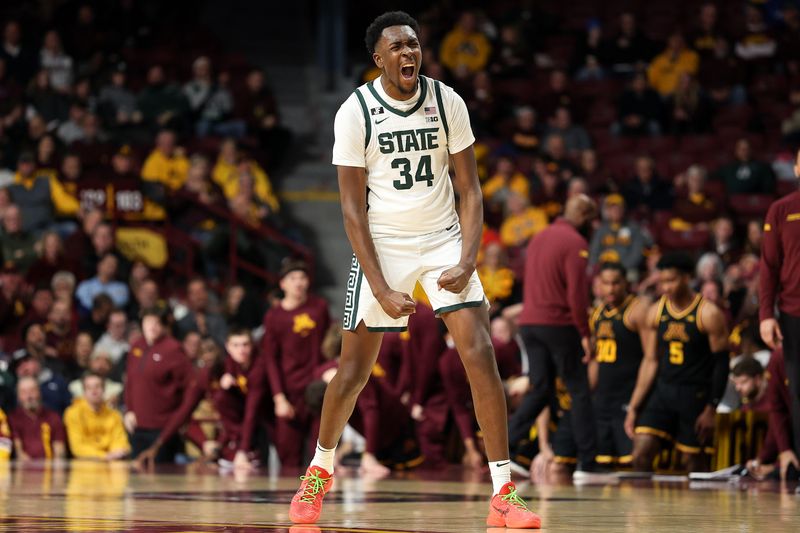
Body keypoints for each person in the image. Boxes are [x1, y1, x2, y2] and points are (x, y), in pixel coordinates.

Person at [289, 12, 540, 529]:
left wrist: (468, 257)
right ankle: (318, 470)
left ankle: (503, 491)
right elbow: (351, 210)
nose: (408, 53)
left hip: (445, 238)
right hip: (384, 245)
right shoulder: (354, 111)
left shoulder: (448, 101)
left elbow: (470, 190)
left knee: (481, 354)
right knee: (354, 372)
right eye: (396, 47)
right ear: (377, 58)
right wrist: (379, 285)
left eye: (414, 44)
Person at [508, 194, 605, 477]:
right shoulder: (576, 243)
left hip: (529, 323)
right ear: (586, 218)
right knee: (579, 390)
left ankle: (507, 449)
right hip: (558, 324)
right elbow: (577, 294)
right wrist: (585, 332)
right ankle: (588, 463)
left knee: (540, 389)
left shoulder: (539, 237)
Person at [625, 252, 729, 472]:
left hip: (695, 395)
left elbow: (722, 364)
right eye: (662, 281)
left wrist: (712, 408)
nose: (665, 287)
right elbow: (650, 360)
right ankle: (643, 508)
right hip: (664, 392)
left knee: (694, 464)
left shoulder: (708, 313)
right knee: (640, 453)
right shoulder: (655, 312)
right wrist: (634, 406)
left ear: (686, 278)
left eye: (671, 280)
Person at [136, 328, 267, 469]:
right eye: (202, 351)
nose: (207, 356)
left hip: (254, 436)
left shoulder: (237, 367)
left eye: (211, 350)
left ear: (221, 349)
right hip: (230, 442)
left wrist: (243, 450)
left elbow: (250, 414)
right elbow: (184, 412)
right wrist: (158, 445)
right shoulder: (205, 375)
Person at [263, 261, 330, 468]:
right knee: (288, 453)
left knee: (320, 452)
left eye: (302, 278)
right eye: (293, 279)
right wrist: (278, 397)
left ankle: (318, 497)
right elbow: (270, 359)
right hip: (289, 392)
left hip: (317, 389)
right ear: (282, 284)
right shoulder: (274, 317)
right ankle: (289, 498)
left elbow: (330, 344)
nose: (298, 283)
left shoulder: (320, 307)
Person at [760, 148, 800, 474]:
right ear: (797, 169)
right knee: (797, 393)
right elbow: (768, 267)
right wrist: (766, 315)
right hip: (793, 314)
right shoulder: (780, 210)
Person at [589, 262, 649, 466]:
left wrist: (635, 403)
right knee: (602, 464)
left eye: (616, 283)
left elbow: (651, 359)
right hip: (603, 399)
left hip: (628, 396)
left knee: (633, 463)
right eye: (606, 283)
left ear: (625, 283)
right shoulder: (596, 314)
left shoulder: (637, 311)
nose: (611, 288)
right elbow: (596, 360)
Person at [125, 306, 193, 463]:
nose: (152, 327)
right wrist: (129, 409)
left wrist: (180, 419)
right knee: (137, 480)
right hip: (137, 426)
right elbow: (130, 381)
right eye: (148, 321)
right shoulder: (136, 346)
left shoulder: (173, 349)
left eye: (157, 323)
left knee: (161, 479)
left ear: (164, 326)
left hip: (163, 428)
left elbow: (190, 388)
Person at [63, 372, 130, 460]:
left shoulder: (114, 415)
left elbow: (120, 442)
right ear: (84, 392)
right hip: (84, 464)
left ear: (104, 389)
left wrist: (115, 453)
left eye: (97, 386)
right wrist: (104, 456)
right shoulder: (73, 413)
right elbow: (77, 447)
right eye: (89, 387)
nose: (94, 391)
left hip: (111, 462)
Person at [588, 194, 653, 279]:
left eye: (618, 208)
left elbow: (637, 252)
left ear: (624, 210)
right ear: (607, 211)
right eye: (612, 208)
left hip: (627, 269)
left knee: (632, 275)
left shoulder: (633, 228)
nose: (615, 211)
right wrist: (599, 266)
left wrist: (621, 267)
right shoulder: (600, 230)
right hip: (604, 269)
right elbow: (594, 252)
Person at [8, 376, 66, 459]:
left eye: (32, 391)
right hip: (24, 468)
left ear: (39, 391)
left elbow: (59, 451)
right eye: (23, 392)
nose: (29, 396)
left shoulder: (53, 417)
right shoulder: (13, 418)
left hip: (50, 467)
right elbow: (19, 453)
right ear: (18, 396)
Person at [175, 278, 228, 347]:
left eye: (201, 291)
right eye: (194, 293)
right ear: (188, 297)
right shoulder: (182, 323)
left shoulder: (218, 319)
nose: (198, 296)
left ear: (207, 294)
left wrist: (205, 331)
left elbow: (224, 346)